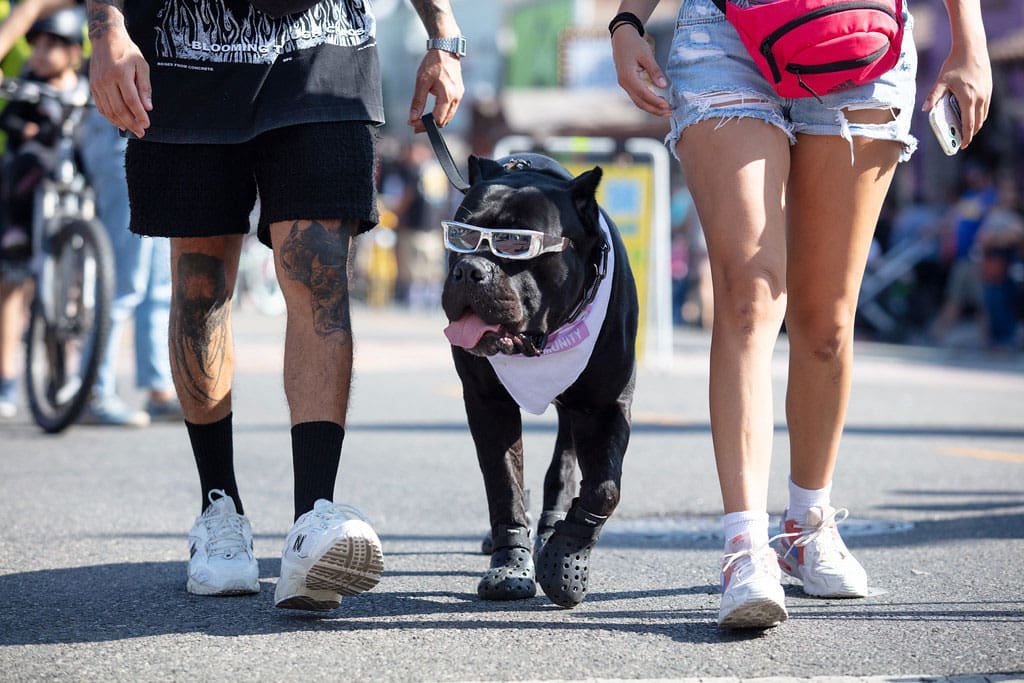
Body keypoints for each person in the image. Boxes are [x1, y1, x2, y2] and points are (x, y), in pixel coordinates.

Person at [612, 0, 990, 629]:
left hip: (862, 39)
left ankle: (807, 525)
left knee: (826, 321)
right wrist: (627, 21)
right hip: (726, 37)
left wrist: (968, 38)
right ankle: (745, 545)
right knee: (749, 294)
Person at [85, 0, 463, 608]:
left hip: (323, 53)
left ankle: (313, 521)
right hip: (185, 56)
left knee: (320, 277)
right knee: (201, 284)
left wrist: (445, 35)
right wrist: (107, 28)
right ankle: (219, 509)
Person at [0, 0, 179, 427]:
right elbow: (32, 6)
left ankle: (156, 386)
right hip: (125, 112)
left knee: (157, 274)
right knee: (126, 265)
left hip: (169, 117)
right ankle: (96, 388)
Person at [0, 6, 88, 419]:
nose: (40, 54)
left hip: (72, 193)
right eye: (36, 46)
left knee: (70, 293)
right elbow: (11, 121)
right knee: (13, 287)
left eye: (52, 46)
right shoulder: (28, 85)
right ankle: (8, 382)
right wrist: (28, 128)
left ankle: (65, 375)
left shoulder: (87, 86)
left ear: (74, 52)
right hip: (32, 191)